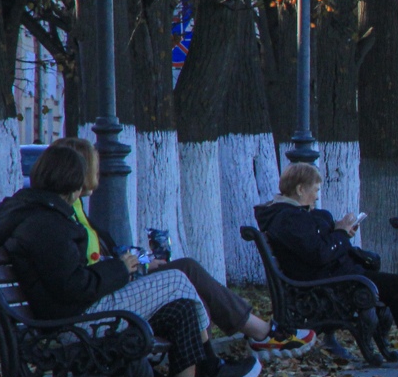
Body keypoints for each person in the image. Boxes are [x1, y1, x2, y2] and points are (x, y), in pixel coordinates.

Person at [0, 144, 258, 377]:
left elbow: (71, 280)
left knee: (180, 310)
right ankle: (209, 370)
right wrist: (119, 268)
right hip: (72, 325)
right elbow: (74, 287)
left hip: (75, 315)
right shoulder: (46, 224)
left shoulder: (40, 213)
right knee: (178, 279)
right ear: (72, 181)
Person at [52, 137, 313, 356]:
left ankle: (221, 357)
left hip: (110, 287)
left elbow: (101, 257)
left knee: (187, 275)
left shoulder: (74, 210)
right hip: (99, 303)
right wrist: (127, 267)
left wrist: (142, 263)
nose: (98, 173)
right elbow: (87, 269)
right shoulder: (64, 216)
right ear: (79, 170)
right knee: (184, 277)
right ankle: (238, 346)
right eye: (95, 167)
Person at [255, 163, 398, 367]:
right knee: (396, 284)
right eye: (315, 189)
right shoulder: (288, 218)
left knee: (394, 284)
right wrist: (341, 233)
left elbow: (317, 248)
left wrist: (342, 230)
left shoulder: (292, 215)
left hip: (332, 278)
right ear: (301, 189)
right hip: (324, 285)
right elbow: (319, 254)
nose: (317, 196)